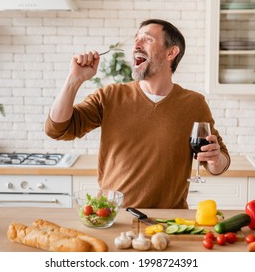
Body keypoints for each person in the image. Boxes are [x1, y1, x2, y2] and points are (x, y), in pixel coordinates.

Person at [45, 19, 230, 209]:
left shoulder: (194, 103)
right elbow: (57, 129)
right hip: (113, 217)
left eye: (147, 39)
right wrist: (73, 80)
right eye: (136, 39)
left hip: (168, 222)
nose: (136, 45)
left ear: (171, 53)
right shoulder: (110, 96)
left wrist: (215, 159)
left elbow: (220, 162)